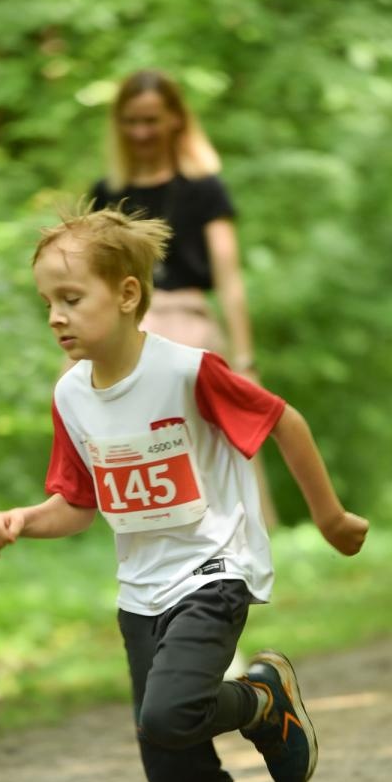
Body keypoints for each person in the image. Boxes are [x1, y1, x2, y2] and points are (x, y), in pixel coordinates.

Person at [0, 208, 369, 782]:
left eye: (72, 299)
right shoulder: (71, 395)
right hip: (142, 592)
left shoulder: (188, 372)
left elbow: (282, 420)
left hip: (215, 569)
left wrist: (329, 517)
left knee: (167, 715)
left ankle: (259, 700)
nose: (56, 318)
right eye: (47, 305)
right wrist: (24, 520)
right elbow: (78, 503)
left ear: (126, 294)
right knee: (170, 770)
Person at [89, 67, 278, 527]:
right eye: (131, 122)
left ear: (175, 119)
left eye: (151, 120)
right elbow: (92, 281)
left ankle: (238, 523)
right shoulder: (108, 193)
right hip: (128, 323)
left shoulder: (204, 189)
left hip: (191, 321)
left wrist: (246, 358)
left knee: (216, 428)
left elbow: (229, 279)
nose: (141, 133)